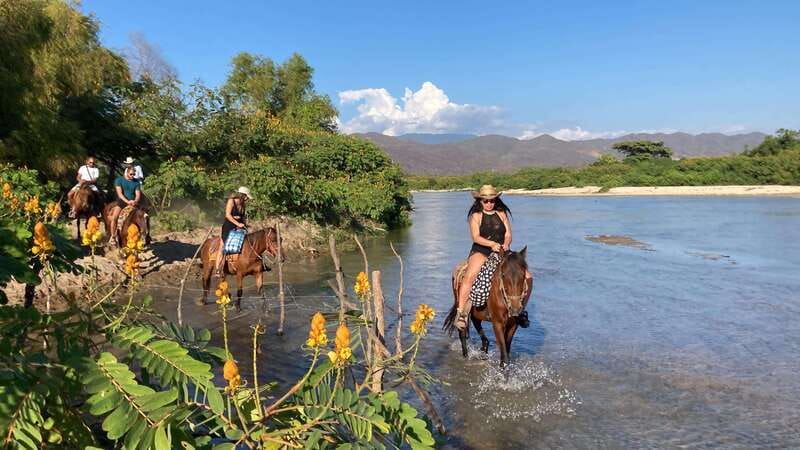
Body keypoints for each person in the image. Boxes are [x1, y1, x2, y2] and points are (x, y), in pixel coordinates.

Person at [454, 185, 531, 330]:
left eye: (492, 200)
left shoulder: (502, 214)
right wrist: (491, 244)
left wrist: (506, 243)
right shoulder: (476, 216)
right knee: (470, 276)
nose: (489, 203)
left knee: (527, 276)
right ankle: (462, 313)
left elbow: (508, 233)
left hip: (502, 250)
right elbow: (475, 237)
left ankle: (520, 310)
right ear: (480, 201)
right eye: (486, 201)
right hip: (481, 250)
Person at [214, 187, 253, 277]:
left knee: (246, 243)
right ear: (242, 195)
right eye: (246, 196)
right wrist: (237, 223)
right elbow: (228, 215)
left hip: (239, 226)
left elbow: (242, 216)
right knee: (222, 247)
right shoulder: (231, 201)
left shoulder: (243, 204)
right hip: (228, 226)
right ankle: (217, 269)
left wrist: (245, 224)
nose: (247, 198)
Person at [108, 166, 142, 243]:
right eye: (131, 174)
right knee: (114, 218)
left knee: (144, 216)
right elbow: (120, 194)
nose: (133, 176)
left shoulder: (136, 182)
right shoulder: (119, 180)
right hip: (122, 202)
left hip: (133, 202)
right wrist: (127, 202)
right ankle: (113, 236)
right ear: (127, 173)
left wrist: (135, 201)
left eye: (134, 174)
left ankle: (146, 234)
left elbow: (138, 194)